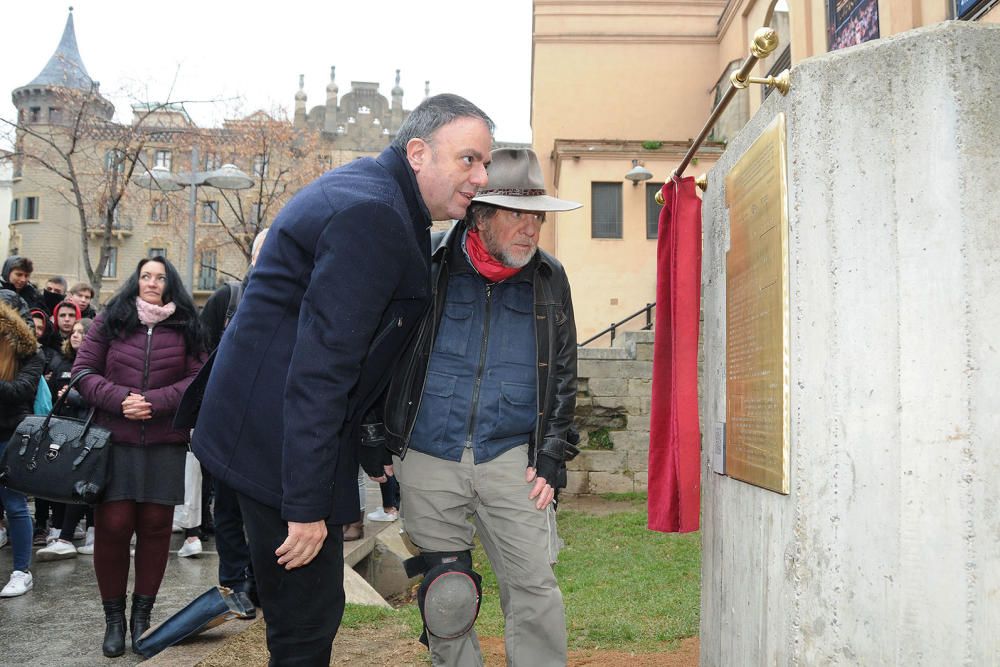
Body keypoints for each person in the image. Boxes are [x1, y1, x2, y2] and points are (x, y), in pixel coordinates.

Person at [186, 93, 494, 665]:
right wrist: (305, 507)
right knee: (306, 625)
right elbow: (322, 368)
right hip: (278, 445)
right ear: (419, 152)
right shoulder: (375, 215)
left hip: (272, 430)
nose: (481, 177)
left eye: (485, 163)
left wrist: (367, 442)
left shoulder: (377, 194)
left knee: (306, 619)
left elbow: (357, 347)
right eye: (469, 159)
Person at [382, 147, 581, 666]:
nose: (531, 229)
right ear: (480, 215)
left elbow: (562, 371)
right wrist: (373, 433)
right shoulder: (426, 260)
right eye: (517, 214)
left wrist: (552, 454)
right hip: (427, 453)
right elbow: (383, 348)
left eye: (537, 217)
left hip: (512, 458)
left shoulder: (550, 277)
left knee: (536, 588)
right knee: (446, 595)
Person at [73, 256, 204, 657]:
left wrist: (155, 402)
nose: (152, 282)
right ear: (136, 281)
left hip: (165, 441)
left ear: (170, 284)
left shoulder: (187, 325)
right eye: (146, 276)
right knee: (112, 526)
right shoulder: (111, 320)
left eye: (160, 277)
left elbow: (199, 378)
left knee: (156, 527)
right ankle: (113, 620)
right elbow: (83, 371)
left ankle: (142, 619)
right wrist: (122, 400)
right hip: (114, 441)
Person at [192, 228, 270, 612]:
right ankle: (233, 583)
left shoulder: (297, 299)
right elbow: (201, 356)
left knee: (262, 511)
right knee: (226, 509)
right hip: (225, 421)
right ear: (253, 257)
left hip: (268, 426)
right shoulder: (228, 298)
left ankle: (258, 581)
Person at [35, 318, 97, 561]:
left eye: (82, 332)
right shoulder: (61, 361)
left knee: (84, 482)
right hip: (65, 428)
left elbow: (100, 395)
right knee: (66, 480)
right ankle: (62, 532)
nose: (76, 335)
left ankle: (80, 535)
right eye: (74, 332)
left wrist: (75, 397)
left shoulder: (97, 363)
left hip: (90, 430)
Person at [0, 291, 46, 597]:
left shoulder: (32, 353)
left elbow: (22, 390)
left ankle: (21, 571)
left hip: (11, 435)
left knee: (15, 504)